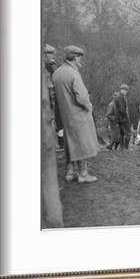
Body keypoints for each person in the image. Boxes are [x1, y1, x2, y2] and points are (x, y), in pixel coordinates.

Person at [51, 45, 98, 183]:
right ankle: (83, 174)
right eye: (79, 58)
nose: (80, 61)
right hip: (78, 114)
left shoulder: (57, 73)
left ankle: (70, 172)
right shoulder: (73, 73)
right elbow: (82, 97)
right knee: (81, 143)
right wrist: (89, 107)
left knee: (69, 142)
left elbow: (53, 95)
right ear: (75, 57)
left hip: (65, 115)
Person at [115, 83, 131, 150]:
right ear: (122, 90)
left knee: (122, 134)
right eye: (125, 90)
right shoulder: (120, 97)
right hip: (123, 118)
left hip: (120, 118)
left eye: (127, 90)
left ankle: (122, 148)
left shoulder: (120, 97)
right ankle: (126, 148)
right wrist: (126, 116)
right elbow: (122, 110)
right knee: (127, 134)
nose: (126, 92)